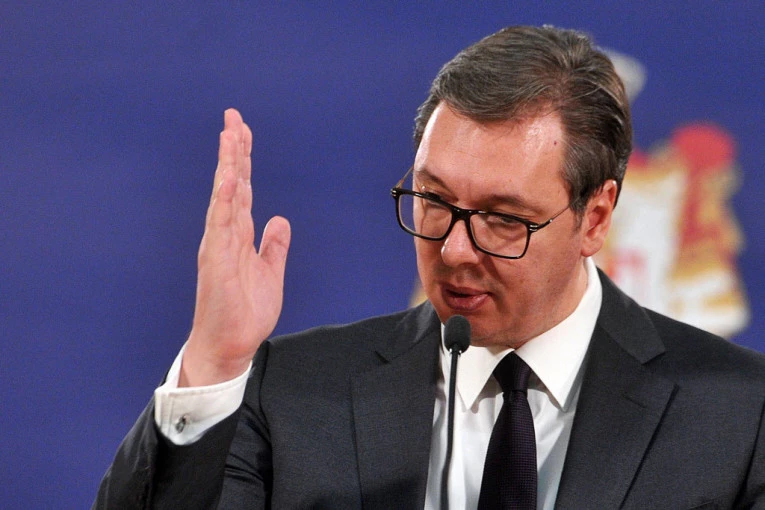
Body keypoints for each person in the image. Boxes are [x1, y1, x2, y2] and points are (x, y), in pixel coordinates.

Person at [94, 25, 765, 509]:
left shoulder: (739, 414)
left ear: (594, 217)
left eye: (503, 217)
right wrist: (214, 362)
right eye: (434, 201)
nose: (454, 250)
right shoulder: (291, 394)